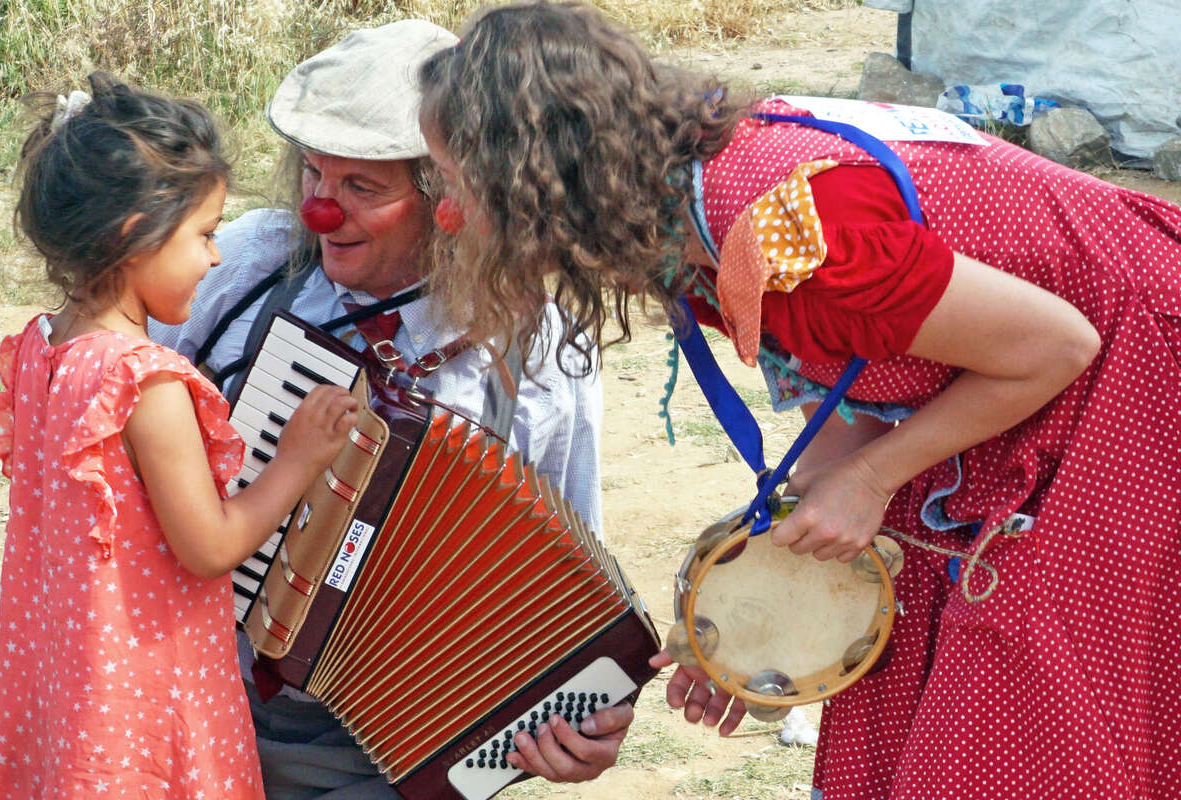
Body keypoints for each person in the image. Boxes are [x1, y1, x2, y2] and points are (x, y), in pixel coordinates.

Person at [416, 3, 1181, 799]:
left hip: (1130, 377)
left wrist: (874, 480)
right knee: (921, 685)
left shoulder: (792, 230)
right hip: (1009, 387)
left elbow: (1058, 345)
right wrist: (753, 623)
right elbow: (857, 377)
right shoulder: (686, 220)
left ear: (532, 175)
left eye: (456, 179)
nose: (450, 212)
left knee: (1020, 709)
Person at [0, 21, 631, 800]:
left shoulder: (536, 350)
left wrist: (578, 718)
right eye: (314, 174)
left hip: (374, 744)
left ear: (448, 195)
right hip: (197, 680)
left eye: (362, 188)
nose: (320, 210)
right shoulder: (244, 262)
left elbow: (560, 588)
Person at [0, 71, 360, 799]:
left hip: (67, 689)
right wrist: (298, 459)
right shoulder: (146, 383)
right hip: (148, 705)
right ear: (131, 236)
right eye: (204, 235)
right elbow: (209, 548)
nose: (216, 257)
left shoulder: (38, 353)